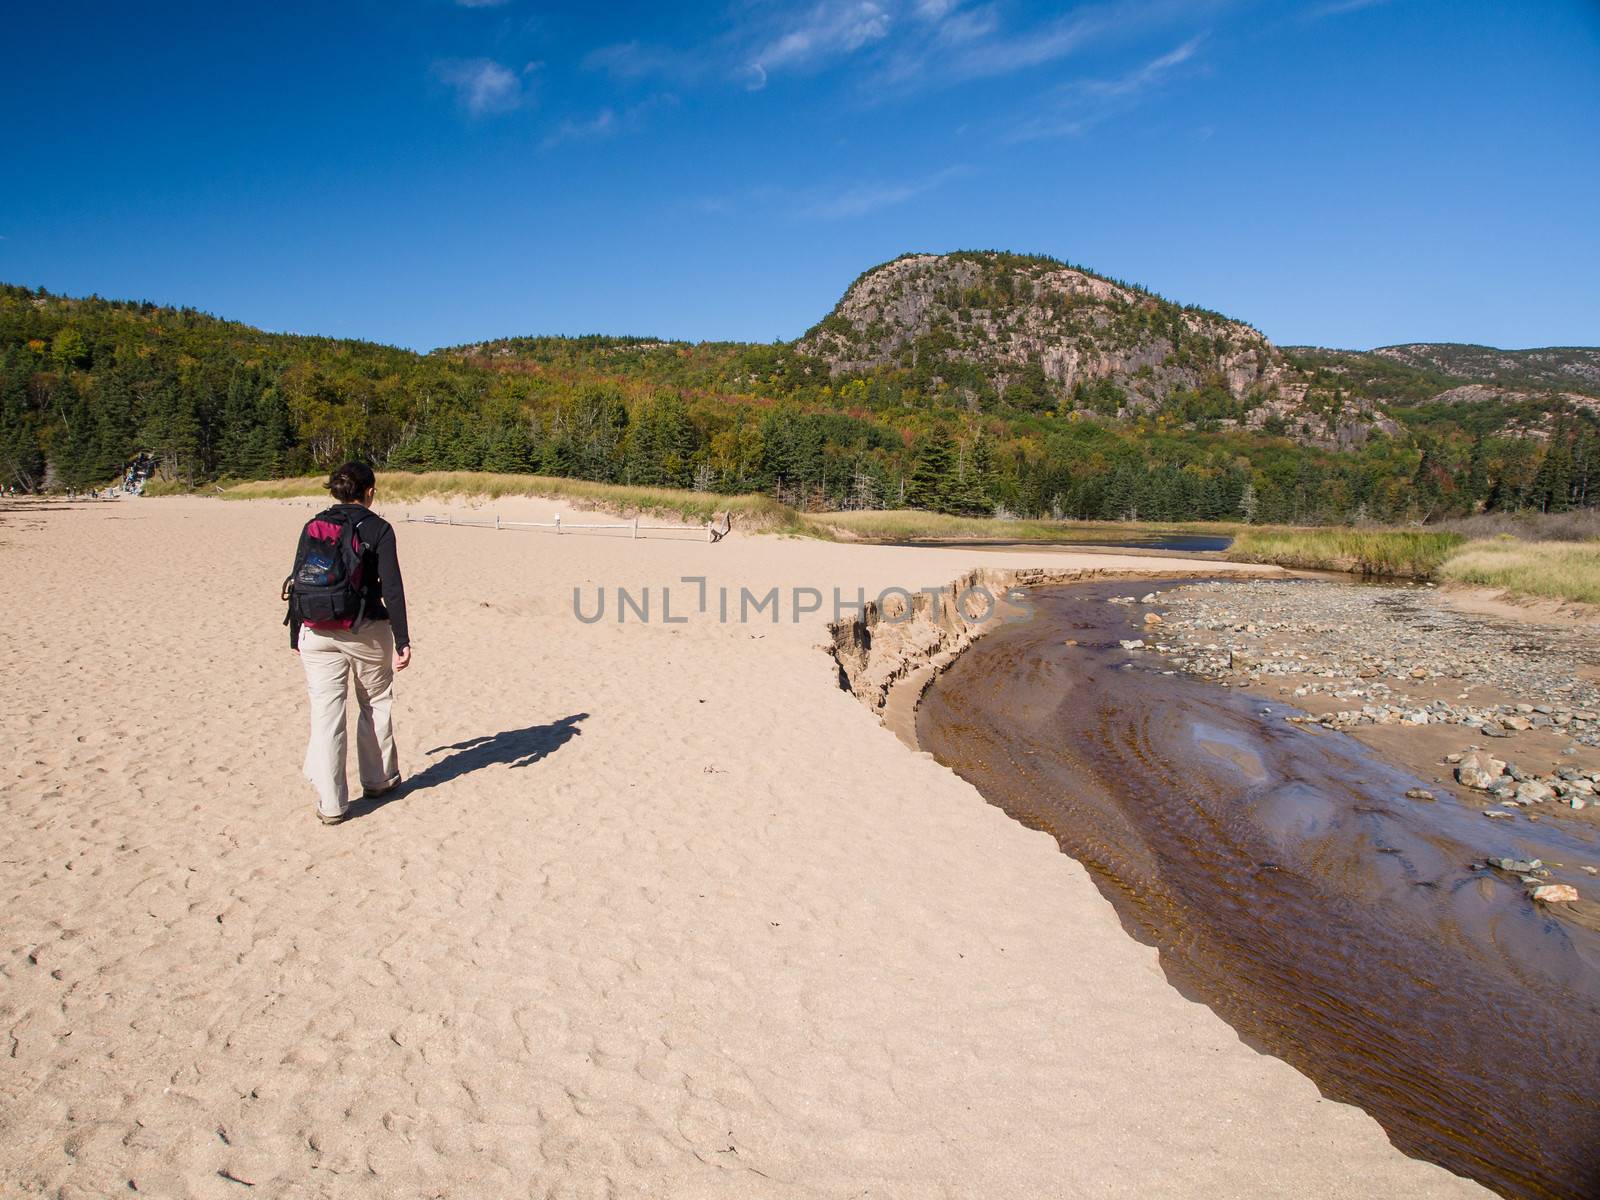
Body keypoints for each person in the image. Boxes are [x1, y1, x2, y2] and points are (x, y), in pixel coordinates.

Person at [288, 462, 412, 825]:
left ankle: (331, 804)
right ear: (369, 491)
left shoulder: (314, 525)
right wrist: (403, 639)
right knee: (374, 701)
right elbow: (392, 588)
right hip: (365, 629)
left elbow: (298, 578)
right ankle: (378, 780)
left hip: (316, 628)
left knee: (326, 714)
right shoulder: (378, 528)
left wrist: (297, 630)